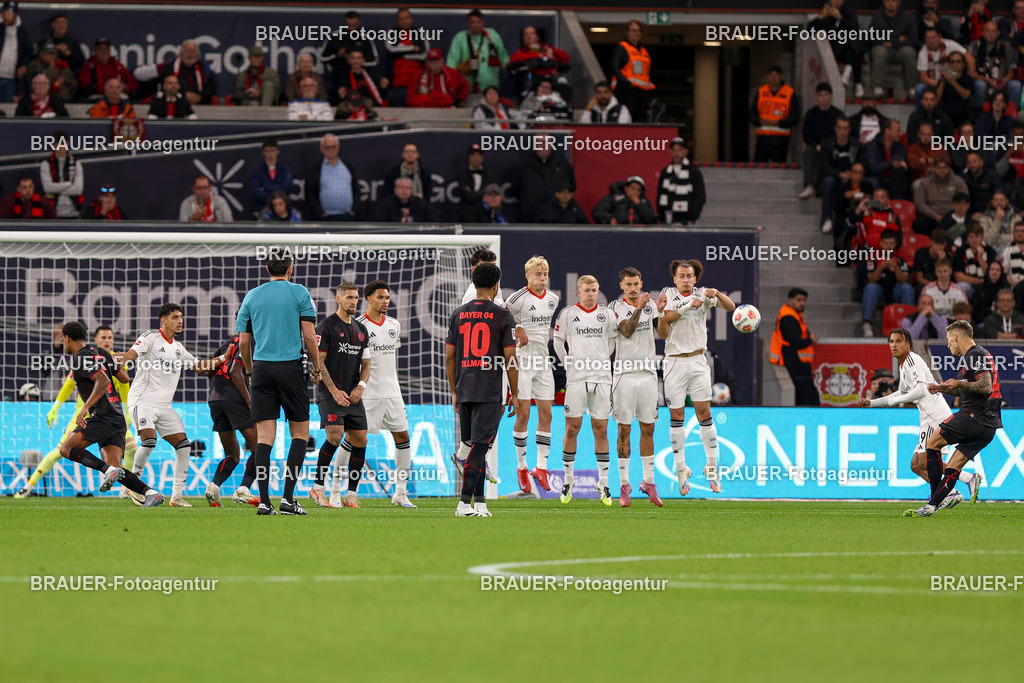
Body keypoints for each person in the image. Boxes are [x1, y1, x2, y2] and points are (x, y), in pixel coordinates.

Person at [236, 250, 326, 516]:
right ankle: (288, 499)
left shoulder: (252, 295)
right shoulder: (299, 292)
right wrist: (317, 368)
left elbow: (243, 343)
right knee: (299, 434)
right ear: (291, 268)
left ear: (267, 269)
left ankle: (264, 501)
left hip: (262, 370)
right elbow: (310, 337)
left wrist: (252, 372)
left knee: (264, 438)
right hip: (290, 368)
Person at [858, 328, 978, 511]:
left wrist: (892, 400)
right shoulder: (904, 365)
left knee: (924, 462)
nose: (894, 345)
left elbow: (921, 390)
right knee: (916, 465)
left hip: (934, 416)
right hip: (927, 416)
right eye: (891, 342)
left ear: (908, 343)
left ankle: (949, 493)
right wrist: (872, 403)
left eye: (899, 341)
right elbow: (902, 392)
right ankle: (967, 478)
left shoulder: (913, 359)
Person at [119, 303, 226, 507]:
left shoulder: (178, 348)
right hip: (142, 400)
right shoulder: (150, 337)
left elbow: (198, 367)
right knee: (149, 441)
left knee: (184, 446)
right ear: (164, 320)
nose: (180, 321)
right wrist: (122, 359)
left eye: (181, 317)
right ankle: (133, 484)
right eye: (175, 317)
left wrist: (223, 358)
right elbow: (131, 353)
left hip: (164, 407)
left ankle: (176, 497)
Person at [15, 325, 138, 500]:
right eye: (103, 338)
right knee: (60, 451)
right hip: (83, 414)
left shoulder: (108, 360)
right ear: (94, 340)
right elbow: (69, 385)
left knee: (132, 449)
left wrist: (127, 414)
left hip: (108, 415)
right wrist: (55, 408)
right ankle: (28, 486)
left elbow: (125, 388)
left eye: (110, 337)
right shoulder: (84, 359)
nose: (107, 341)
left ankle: (125, 490)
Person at [55, 322, 163, 505]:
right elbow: (124, 377)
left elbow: (103, 381)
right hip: (117, 417)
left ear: (67, 338)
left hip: (102, 416)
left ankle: (106, 470)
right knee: (116, 468)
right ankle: (151, 493)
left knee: (66, 449)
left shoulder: (80, 359)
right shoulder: (101, 353)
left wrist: (84, 408)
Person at [445, 262, 518, 517]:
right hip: (488, 389)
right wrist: (516, 394)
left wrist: (454, 390)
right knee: (479, 447)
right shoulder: (502, 315)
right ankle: (464, 503)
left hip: (465, 386)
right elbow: (510, 358)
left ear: (474, 284)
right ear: (496, 286)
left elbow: (450, 357)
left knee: (475, 446)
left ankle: (480, 503)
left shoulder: (458, 313)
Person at [657, 260, 736, 493]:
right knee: (677, 417)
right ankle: (682, 469)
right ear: (674, 278)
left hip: (698, 361)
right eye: (681, 276)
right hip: (674, 362)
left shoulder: (703, 294)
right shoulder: (668, 294)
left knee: (705, 413)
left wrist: (718, 294)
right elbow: (667, 320)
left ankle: (712, 468)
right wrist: (690, 305)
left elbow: (730, 307)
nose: (685, 279)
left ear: (695, 278)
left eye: (689, 276)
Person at [909, 320, 1000, 516]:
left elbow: (985, 386)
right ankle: (931, 506)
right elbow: (972, 390)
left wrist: (958, 382)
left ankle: (933, 496)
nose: (948, 345)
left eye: (949, 341)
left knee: (932, 444)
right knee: (952, 467)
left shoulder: (974, 354)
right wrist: (942, 388)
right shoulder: (982, 355)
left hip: (973, 417)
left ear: (957, 337)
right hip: (988, 426)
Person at [552, 275, 617, 505]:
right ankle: (568, 480)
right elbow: (558, 340)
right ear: (578, 292)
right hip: (577, 379)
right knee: (572, 428)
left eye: (595, 290)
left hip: (601, 378)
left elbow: (611, 342)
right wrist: (568, 362)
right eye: (587, 290)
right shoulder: (568, 313)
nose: (591, 294)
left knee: (601, 429)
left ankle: (604, 481)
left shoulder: (607, 314)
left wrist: (600, 360)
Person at [352, 281, 416, 508]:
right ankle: (340, 489)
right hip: (367, 393)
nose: (385, 301)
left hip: (392, 393)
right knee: (354, 440)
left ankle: (400, 493)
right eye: (380, 297)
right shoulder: (357, 325)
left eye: (387, 297)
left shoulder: (394, 325)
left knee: (403, 438)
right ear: (369, 299)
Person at [308, 283, 371, 510]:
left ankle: (351, 494)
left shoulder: (361, 330)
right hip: (329, 394)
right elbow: (319, 362)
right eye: (349, 298)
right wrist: (334, 391)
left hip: (353, 396)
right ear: (338, 299)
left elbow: (366, 363)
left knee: (361, 440)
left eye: (356, 298)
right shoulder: (327, 327)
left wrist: (361, 387)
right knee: (335, 437)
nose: (354, 302)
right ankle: (317, 487)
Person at [505, 256, 559, 494]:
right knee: (524, 413)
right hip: (522, 361)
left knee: (547, 412)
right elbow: (502, 321)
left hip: (543, 361)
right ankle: (521, 467)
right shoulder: (516, 299)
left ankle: (541, 467)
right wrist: (516, 327)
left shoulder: (553, 299)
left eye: (545, 274)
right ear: (527, 275)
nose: (542, 278)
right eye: (538, 274)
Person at [609, 267, 662, 508]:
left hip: (648, 374)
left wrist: (662, 311)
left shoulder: (650, 305)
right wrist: (640, 307)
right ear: (622, 285)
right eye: (628, 284)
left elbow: (663, 332)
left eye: (636, 284)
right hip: (624, 375)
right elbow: (627, 332)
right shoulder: (615, 307)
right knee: (624, 430)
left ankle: (649, 482)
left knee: (648, 428)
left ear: (641, 283)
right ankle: (624, 484)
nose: (632, 288)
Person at [202, 334, 260, 507]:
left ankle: (214, 486)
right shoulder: (250, 341)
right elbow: (235, 371)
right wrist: (249, 401)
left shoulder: (228, 341)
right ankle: (244, 488)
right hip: (235, 398)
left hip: (215, 399)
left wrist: (218, 392)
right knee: (259, 446)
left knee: (232, 453)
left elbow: (210, 370)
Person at [769, 288, 819, 406]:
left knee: (811, 397)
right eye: (799, 300)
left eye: (804, 300)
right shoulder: (788, 317)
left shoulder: (795, 315)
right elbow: (795, 342)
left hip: (800, 365)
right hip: (795, 364)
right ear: (790, 300)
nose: (802, 303)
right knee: (807, 399)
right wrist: (810, 339)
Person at [860, 230, 915, 336]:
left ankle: (910, 323)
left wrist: (895, 267)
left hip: (895, 289)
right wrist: (880, 267)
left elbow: (904, 279)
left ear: (895, 244)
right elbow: (871, 279)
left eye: (891, 244)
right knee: (870, 287)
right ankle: (867, 323)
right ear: (881, 243)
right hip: (879, 289)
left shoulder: (900, 258)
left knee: (907, 288)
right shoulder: (873, 257)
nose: (888, 246)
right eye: (886, 243)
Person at [446, 9, 509, 101]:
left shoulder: (492, 35)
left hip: (491, 85)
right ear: (468, 23)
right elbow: (452, 62)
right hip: (469, 86)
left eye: (479, 22)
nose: (476, 25)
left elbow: (502, 54)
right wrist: (451, 82)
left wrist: (507, 65)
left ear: (483, 22)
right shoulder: (460, 38)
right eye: (473, 22)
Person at [321, 11, 381, 104]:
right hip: (338, 78)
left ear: (359, 23)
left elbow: (374, 60)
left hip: (359, 79)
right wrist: (337, 55)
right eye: (349, 25)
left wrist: (358, 62)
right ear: (345, 23)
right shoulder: (335, 37)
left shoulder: (365, 38)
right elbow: (323, 59)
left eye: (354, 25)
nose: (352, 28)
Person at [809, 0, 865, 96]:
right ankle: (857, 83)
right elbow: (809, 30)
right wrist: (821, 16)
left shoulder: (848, 11)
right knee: (854, 47)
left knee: (854, 40)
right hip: (835, 50)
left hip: (849, 50)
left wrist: (841, 18)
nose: (835, 1)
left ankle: (847, 75)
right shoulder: (827, 14)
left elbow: (855, 28)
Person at [798, 82, 844, 199]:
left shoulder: (837, 114)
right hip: (816, 148)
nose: (823, 98)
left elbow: (840, 133)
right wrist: (816, 145)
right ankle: (809, 185)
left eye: (826, 95)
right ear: (817, 96)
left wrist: (825, 146)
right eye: (821, 95)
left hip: (832, 148)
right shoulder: (811, 114)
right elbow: (806, 134)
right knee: (808, 152)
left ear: (831, 96)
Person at [819, 116, 863, 234]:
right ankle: (827, 218)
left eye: (845, 128)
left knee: (871, 182)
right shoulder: (827, 144)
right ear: (835, 129)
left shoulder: (856, 145)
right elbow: (824, 167)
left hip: (853, 177)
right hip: (835, 177)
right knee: (828, 181)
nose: (842, 131)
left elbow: (861, 163)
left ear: (849, 130)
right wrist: (840, 174)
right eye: (840, 128)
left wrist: (851, 173)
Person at [867, 0, 920, 99]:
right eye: (887, 0)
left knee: (909, 52)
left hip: (901, 50)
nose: (890, 3)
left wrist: (894, 42)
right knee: (879, 52)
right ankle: (877, 87)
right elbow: (870, 37)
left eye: (893, 0)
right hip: (884, 48)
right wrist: (899, 39)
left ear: (899, 2)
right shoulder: (877, 17)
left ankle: (911, 87)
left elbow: (913, 39)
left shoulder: (907, 17)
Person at [749, 64, 799, 163]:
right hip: (762, 139)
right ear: (767, 76)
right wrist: (760, 121)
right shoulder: (761, 92)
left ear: (781, 76)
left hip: (780, 140)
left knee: (779, 168)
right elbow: (751, 114)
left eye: (776, 75)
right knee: (758, 168)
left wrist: (779, 123)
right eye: (771, 75)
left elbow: (795, 116)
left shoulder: (789, 93)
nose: (773, 77)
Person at [519, 138, 575, 222]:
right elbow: (517, 189)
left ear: (551, 145)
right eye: (539, 142)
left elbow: (572, 186)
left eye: (545, 142)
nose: (542, 145)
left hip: (557, 218)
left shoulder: (563, 164)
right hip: (529, 216)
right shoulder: (524, 165)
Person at [382, 8, 429, 107]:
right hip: (395, 85)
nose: (404, 21)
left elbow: (424, 55)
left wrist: (402, 53)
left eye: (406, 18)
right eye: (401, 18)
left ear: (411, 19)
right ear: (397, 20)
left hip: (416, 85)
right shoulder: (391, 32)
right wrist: (412, 48)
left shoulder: (420, 33)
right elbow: (390, 50)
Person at [915, 26, 972, 106]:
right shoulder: (923, 52)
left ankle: (974, 110)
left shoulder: (950, 45)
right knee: (919, 88)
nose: (930, 40)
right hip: (934, 83)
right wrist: (941, 83)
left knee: (973, 84)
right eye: (927, 38)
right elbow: (923, 78)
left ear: (940, 37)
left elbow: (969, 58)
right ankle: (921, 114)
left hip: (954, 79)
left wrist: (971, 75)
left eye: (933, 37)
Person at [610, 20, 654, 121]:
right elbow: (615, 67)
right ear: (628, 32)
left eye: (639, 30)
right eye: (633, 30)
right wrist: (627, 83)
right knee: (626, 117)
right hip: (626, 90)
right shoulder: (622, 47)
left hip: (641, 91)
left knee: (638, 117)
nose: (636, 33)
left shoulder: (643, 50)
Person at [306, 134, 357, 221]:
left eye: (333, 147)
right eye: (327, 147)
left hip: (347, 216)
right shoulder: (315, 169)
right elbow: (309, 194)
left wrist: (354, 210)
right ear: (322, 148)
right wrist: (320, 213)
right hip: (325, 217)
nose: (330, 150)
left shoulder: (348, 166)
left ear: (338, 147)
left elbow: (356, 189)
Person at [968, 20, 1020, 107]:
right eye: (988, 31)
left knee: (1016, 85)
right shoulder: (974, 46)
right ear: (983, 33)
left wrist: (1005, 80)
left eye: (994, 31)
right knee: (980, 85)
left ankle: (1012, 114)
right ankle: (978, 114)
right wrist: (986, 80)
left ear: (998, 33)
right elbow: (971, 72)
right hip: (984, 81)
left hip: (1002, 82)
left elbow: (1012, 68)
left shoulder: (1006, 46)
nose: (991, 34)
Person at [656, 136, 706, 226]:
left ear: (685, 152)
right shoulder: (665, 172)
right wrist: (663, 217)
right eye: (674, 150)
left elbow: (700, 196)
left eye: (679, 150)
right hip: (668, 221)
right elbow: (660, 195)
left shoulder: (693, 171)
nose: (676, 153)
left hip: (687, 220)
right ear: (670, 152)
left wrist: (692, 218)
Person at [913, 154, 968, 234]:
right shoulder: (925, 183)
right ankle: (927, 245)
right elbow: (919, 203)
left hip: (952, 215)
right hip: (931, 215)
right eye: (939, 167)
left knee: (965, 226)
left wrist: (951, 216)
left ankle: (952, 244)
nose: (942, 170)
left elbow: (964, 201)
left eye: (945, 167)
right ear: (934, 168)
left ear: (949, 168)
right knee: (919, 223)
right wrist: (934, 215)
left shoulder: (959, 182)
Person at [508, 25, 569, 96]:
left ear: (537, 37)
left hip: (551, 82)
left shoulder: (546, 47)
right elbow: (513, 59)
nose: (528, 36)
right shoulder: (522, 51)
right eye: (525, 34)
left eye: (531, 33)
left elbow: (566, 58)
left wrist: (553, 51)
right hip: (532, 84)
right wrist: (537, 55)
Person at [39, 131, 83, 219]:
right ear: (53, 145)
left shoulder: (76, 163)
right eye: (57, 143)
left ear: (68, 143)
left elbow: (78, 189)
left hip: (73, 213)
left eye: (63, 143)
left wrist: (55, 189)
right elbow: (47, 188)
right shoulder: (46, 164)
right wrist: (69, 184)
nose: (61, 146)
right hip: (52, 213)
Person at [159, 40, 217, 106]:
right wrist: (185, 94)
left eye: (193, 52)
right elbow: (164, 85)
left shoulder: (204, 68)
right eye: (187, 51)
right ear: (181, 53)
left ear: (197, 54)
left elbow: (212, 86)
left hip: (201, 103)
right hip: (177, 104)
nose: (190, 55)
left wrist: (200, 96)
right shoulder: (170, 68)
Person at [866, 119, 910, 200]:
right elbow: (873, 167)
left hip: (894, 178)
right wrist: (891, 164)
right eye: (897, 131)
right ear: (888, 131)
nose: (900, 134)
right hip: (878, 177)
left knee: (900, 177)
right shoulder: (873, 145)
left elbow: (902, 165)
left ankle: (897, 205)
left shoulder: (900, 147)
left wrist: (895, 165)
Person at [952, 222, 998, 298]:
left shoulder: (990, 251)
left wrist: (980, 258)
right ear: (967, 238)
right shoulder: (961, 251)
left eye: (977, 236)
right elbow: (959, 277)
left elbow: (991, 275)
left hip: (986, 287)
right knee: (962, 286)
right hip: (969, 287)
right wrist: (979, 281)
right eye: (971, 237)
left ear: (982, 237)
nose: (974, 240)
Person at [592, 176, 657, 226]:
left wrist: (639, 204)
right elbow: (597, 212)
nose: (635, 192)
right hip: (616, 232)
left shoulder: (644, 202)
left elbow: (651, 220)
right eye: (633, 188)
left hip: (638, 233)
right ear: (626, 188)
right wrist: (610, 218)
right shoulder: (614, 198)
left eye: (638, 190)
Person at [250, 138, 293, 209]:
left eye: (273, 150)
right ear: (263, 152)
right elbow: (256, 193)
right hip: (263, 211)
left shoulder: (285, 170)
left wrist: (265, 187)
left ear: (278, 151)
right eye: (267, 151)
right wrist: (276, 197)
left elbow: (287, 187)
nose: (270, 154)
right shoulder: (256, 173)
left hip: (283, 211)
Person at [936, 50, 974, 128]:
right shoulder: (944, 79)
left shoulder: (968, 79)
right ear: (949, 64)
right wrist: (943, 82)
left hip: (963, 115)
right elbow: (937, 99)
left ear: (963, 64)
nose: (955, 64)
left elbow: (966, 95)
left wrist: (952, 82)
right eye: (952, 62)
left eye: (958, 62)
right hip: (946, 115)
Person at [962, 152, 1000, 216]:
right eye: (969, 162)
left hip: (989, 213)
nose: (972, 165)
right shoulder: (963, 178)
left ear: (981, 162)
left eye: (975, 161)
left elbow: (998, 194)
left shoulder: (992, 176)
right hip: (968, 214)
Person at [457, 143, 489, 208]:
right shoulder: (463, 175)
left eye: (479, 155)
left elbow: (489, 194)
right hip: (467, 211)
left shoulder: (489, 175)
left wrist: (472, 194)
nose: (476, 158)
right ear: (468, 158)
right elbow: (467, 197)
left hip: (485, 211)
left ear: (482, 157)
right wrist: (483, 192)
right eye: (473, 155)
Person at [1000, 222, 1024, 308]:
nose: (1020, 234)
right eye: (1017, 231)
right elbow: (1004, 272)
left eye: (1022, 231)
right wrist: (1016, 286)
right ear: (1013, 233)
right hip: (1012, 289)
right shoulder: (1007, 250)